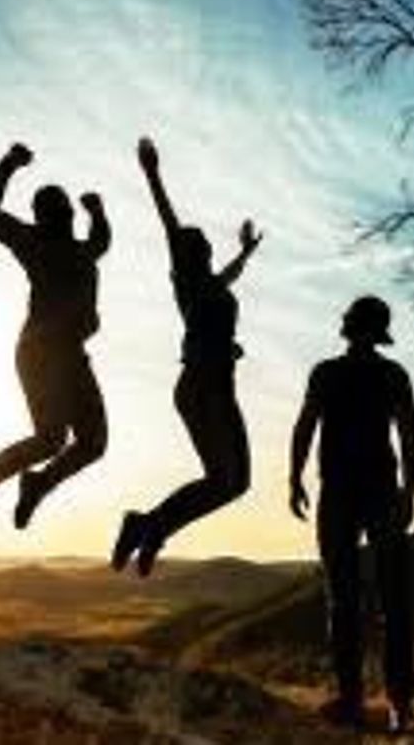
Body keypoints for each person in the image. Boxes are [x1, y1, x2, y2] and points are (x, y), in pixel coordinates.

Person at [0, 142, 111, 549]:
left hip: (70, 356)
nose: (63, 216)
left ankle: (37, 484)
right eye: (56, 212)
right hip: (42, 353)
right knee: (51, 440)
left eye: (64, 211)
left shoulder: (83, 252)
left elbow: (102, 239)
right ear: (46, 218)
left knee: (92, 443)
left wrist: (98, 211)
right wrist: (8, 165)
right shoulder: (36, 243)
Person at [112, 136, 260, 576]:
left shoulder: (212, 287)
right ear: (190, 256)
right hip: (203, 387)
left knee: (235, 483)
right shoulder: (189, 282)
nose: (204, 250)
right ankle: (150, 527)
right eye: (197, 248)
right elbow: (168, 224)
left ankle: (147, 524)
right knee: (226, 480)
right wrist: (153, 176)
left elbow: (227, 276)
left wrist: (247, 253)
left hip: (213, 386)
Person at [289, 296, 414, 733]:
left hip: (348, 493)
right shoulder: (389, 374)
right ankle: (389, 704)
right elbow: (409, 438)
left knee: (350, 599)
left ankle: (361, 702)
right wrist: (409, 493)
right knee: (385, 600)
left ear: (353, 328)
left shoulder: (329, 373)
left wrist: (295, 477)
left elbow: (306, 426)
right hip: (373, 491)